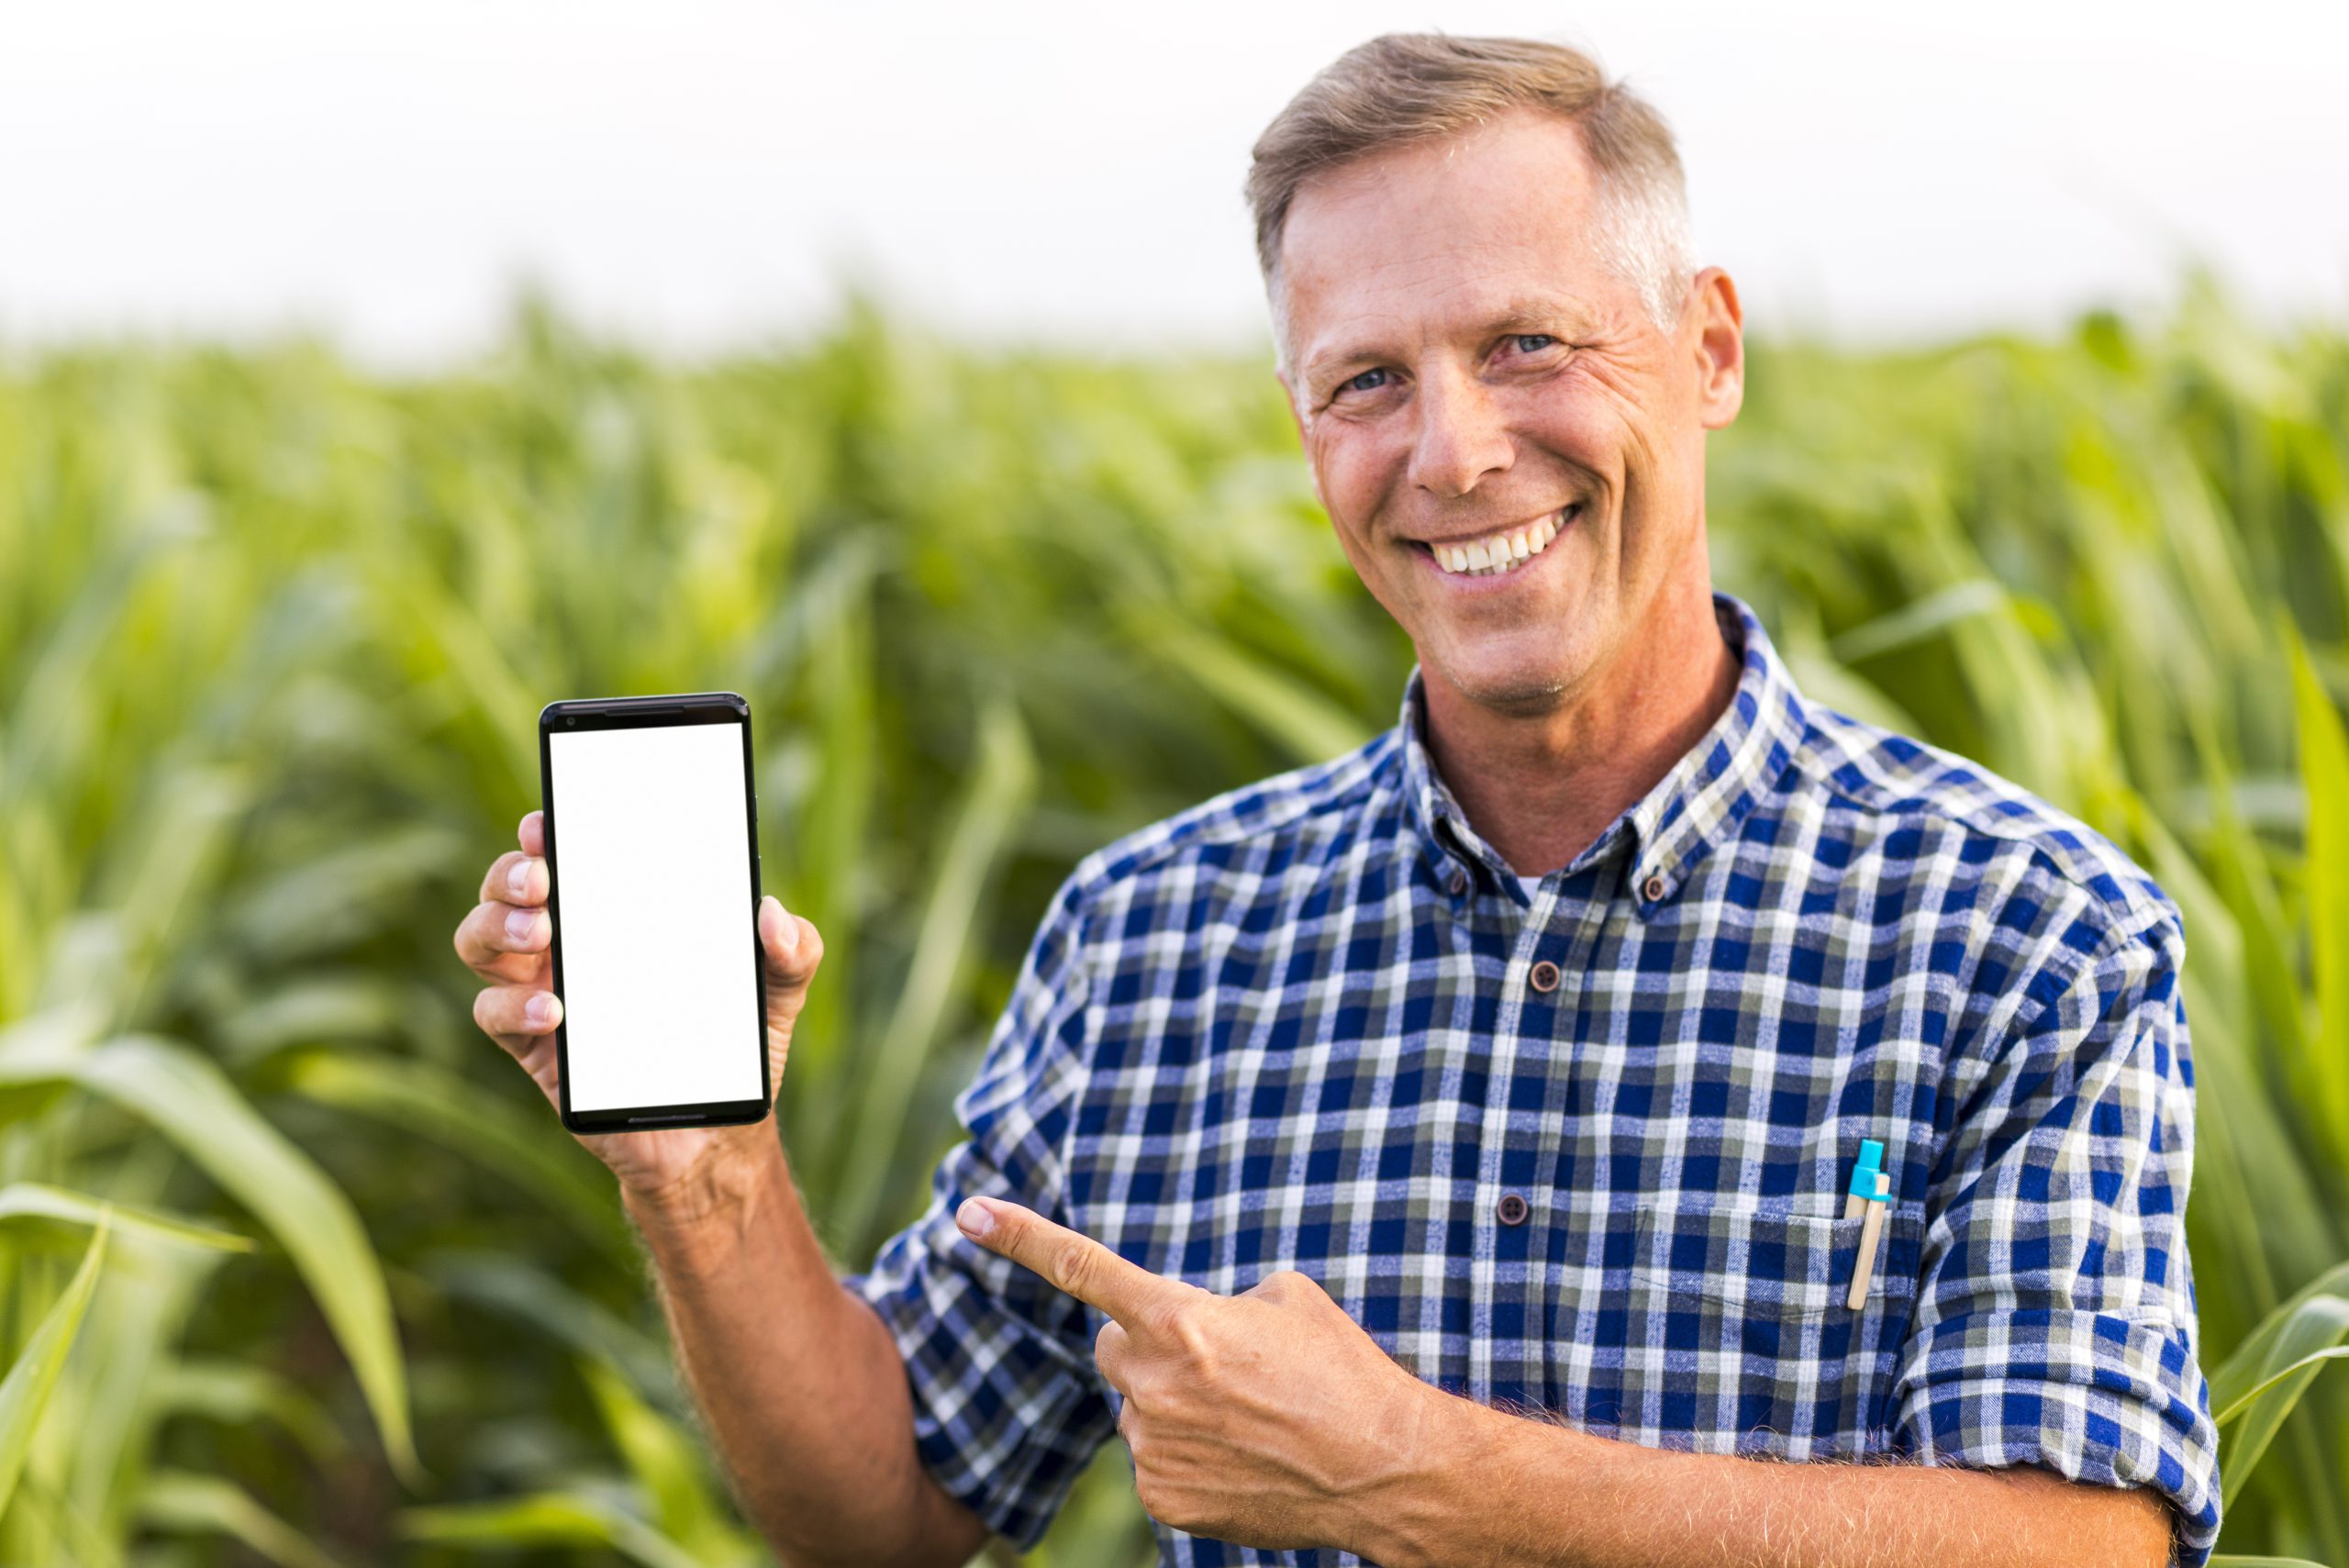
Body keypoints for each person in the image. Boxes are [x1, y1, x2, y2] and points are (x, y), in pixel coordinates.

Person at [453, 31, 2219, 1568]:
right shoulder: (1156, 943)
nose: (1450, 451)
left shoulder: (2023, 933)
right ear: (1309, 437)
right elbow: (890, 1505)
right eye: (1367, 379)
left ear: (1709, 349)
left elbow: (2087, 1534)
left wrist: (1419, 1475)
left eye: (1529, 343)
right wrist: (706, 1175)